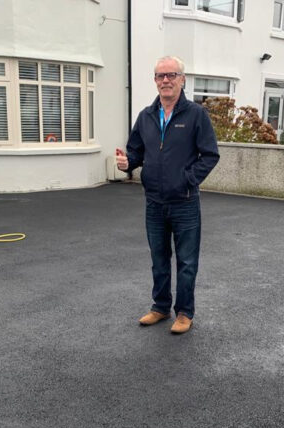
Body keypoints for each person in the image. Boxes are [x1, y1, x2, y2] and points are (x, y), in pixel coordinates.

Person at [115, 56, 219, 334]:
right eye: (160, 76)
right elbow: (136, 150)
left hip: (184, 202)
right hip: (154, 203)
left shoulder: (196, 115)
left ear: (182, 79)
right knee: (159, 258)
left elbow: (210, 155)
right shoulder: (146, 116)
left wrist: (188, 180)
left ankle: (184, 313)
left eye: (171, 75)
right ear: (155, 81)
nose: (166, 80)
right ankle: (161, 307)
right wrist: (128, 162)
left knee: (186, 261)